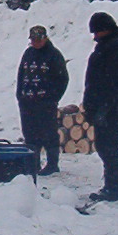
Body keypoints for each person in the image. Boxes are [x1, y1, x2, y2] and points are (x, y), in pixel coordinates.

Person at [82, 11, 118, 202]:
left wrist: (105, 107)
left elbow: (115, 82)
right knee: (108, 147)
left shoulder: (116, 48)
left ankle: (113, 187)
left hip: (111, 108)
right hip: (108, 106)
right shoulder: (112, 45)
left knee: (108, 147)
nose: (95, 37)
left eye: (97, 32)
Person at [15, 25, 68, 175]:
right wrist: (20, 95)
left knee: (49, 134)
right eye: (33, 40)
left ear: (45, 38)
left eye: (38, 40)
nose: (35, 43)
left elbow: (63, 79)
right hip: (27, 102)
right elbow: (21, 75)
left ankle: (52, 164)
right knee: (30, 135)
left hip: (45, 103)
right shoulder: (28, 54)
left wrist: (52, 98)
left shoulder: (54, 55)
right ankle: (33, 163)